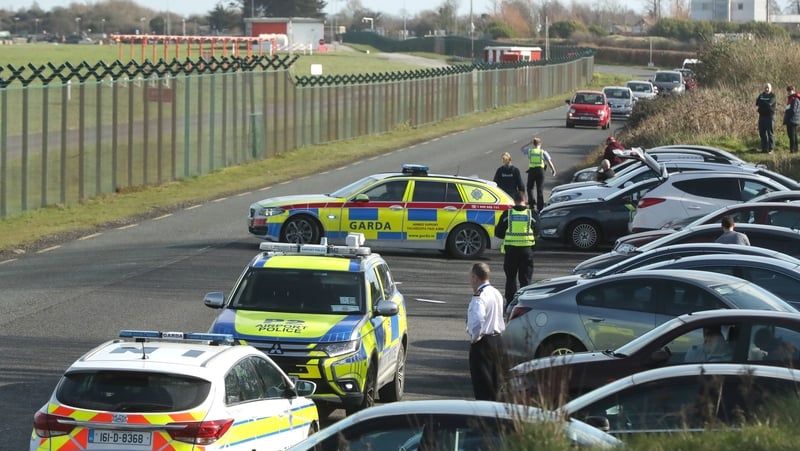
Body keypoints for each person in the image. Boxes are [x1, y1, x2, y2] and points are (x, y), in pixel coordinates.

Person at [466, 262, 506, 401]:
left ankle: (485, 419)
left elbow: (477, 319)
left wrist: (475, 337)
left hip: (484, 343)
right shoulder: (496, 292)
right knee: (495, 384)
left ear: (475, 277)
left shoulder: (479, 296)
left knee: (483, 386)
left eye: (471, 277)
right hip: (498, 340)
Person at [494, 190, 536, 308]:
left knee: (511, 278)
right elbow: (538, 231)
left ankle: (510, 304)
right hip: (526, 251)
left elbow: (499, 233)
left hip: (511, 251)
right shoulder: (531, 214)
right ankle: (524, 303)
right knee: (525, 279)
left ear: (514, 200)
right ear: (525, 200)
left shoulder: (507, 214)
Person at [520, 137, 557, 213]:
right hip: (541, 171)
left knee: (530, 188)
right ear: (540, 144)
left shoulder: (530, 151)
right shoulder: (543, 152)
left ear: (533, 144)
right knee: (540, 189)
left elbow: (522, 149)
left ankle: (531, 205)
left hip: (532, 171)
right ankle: (540, 207)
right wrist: (553, 170)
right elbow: (549, 161)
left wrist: (529, 143)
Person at [756, 83, 777, 153]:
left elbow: (769, 104)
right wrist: (763, 102)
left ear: (771, 88)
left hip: (770, 116)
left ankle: (771, 149)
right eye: (765, 87)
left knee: (770, 133)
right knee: (762, 133)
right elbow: (757, 103)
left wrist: (762, 102)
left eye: (768, 88)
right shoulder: (761, 95)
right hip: (762, 116)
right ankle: (764, 149)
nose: (767, 89)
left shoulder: (772, 96)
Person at [784, 85, 800, 153]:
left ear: (793, 91)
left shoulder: (794, 99)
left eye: (790, 91)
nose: (789, 92)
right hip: (791, 119)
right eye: (788, 91)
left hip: (793, 120)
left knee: (792, 135)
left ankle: (792, 150)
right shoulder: (790, 99)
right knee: (793, 135)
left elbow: (793, 110)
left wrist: (787, 111)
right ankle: (795, 149)